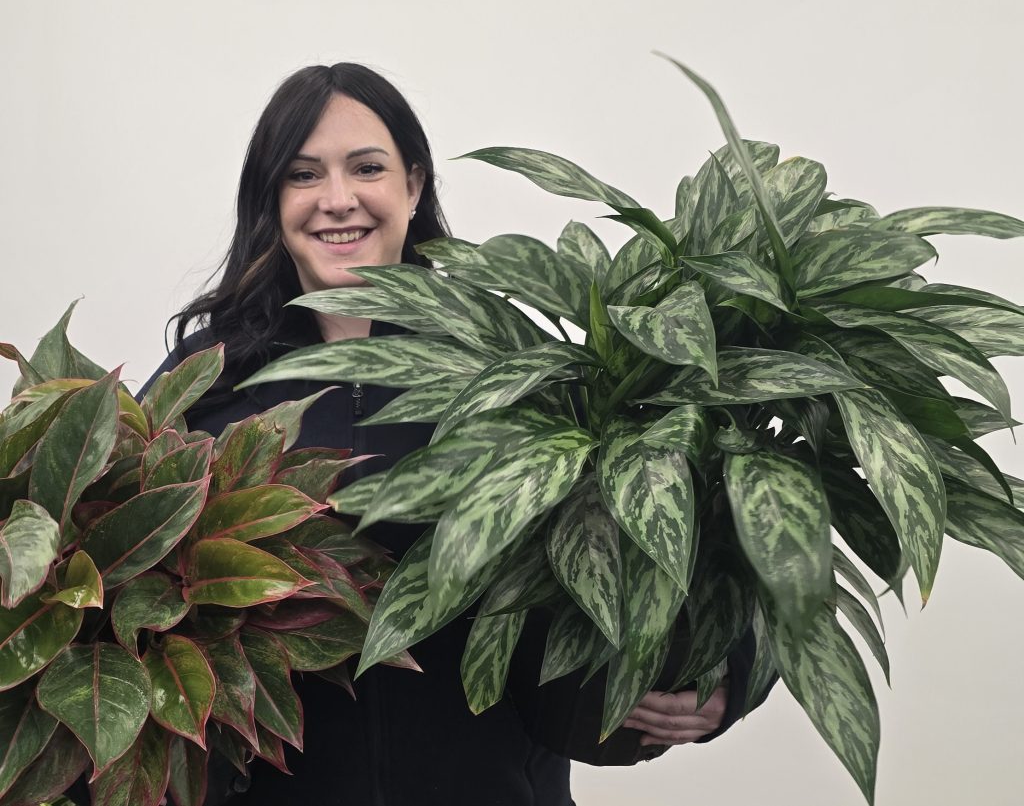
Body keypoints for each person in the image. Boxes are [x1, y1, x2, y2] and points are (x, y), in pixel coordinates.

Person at [142, 62, 751, 805]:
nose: (338, 200)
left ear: (415, 185)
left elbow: (676, 536)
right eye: (304, 174)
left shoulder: (510, 362)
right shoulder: (208, 377)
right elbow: (120, 569)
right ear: (273, 198)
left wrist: (729, 674)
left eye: (367, 167)